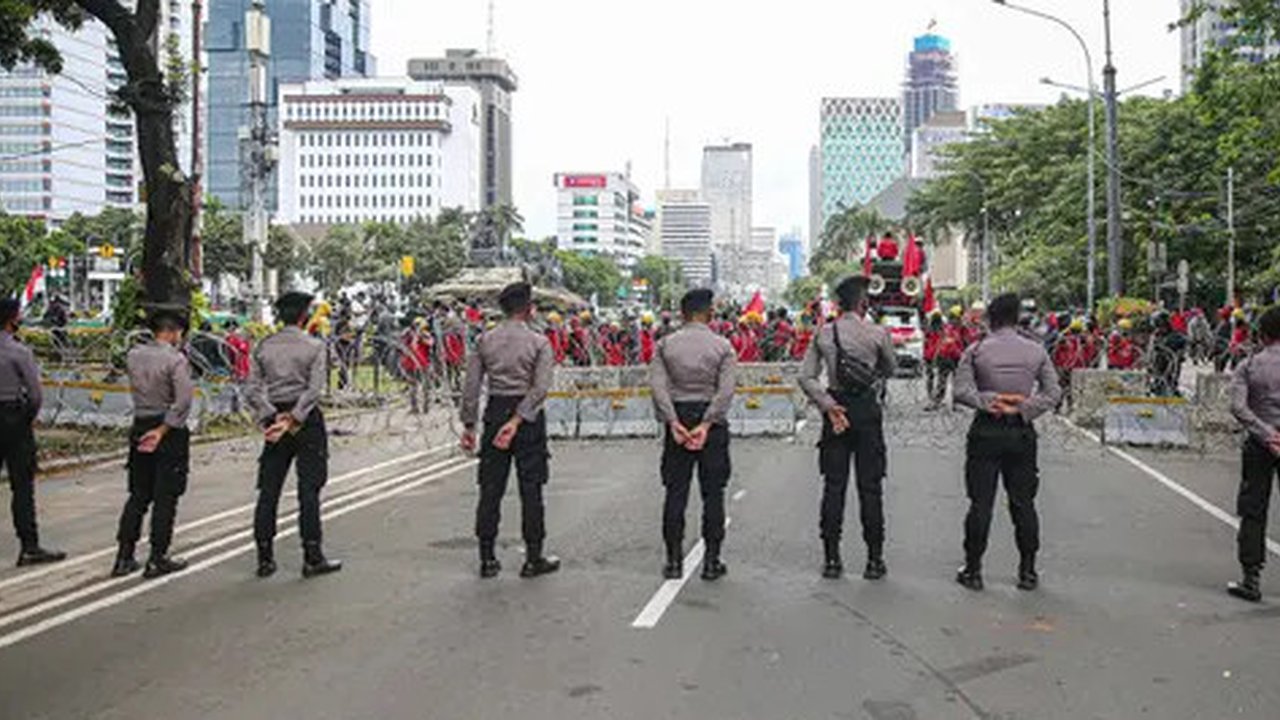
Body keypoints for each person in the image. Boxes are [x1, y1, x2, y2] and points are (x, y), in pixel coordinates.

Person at [952, 293, 1062, 592]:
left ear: (990, 317)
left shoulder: (976, 351)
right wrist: (1023, 407)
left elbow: (961, 391)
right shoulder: (1036, 351)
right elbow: (1053, 394)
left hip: (986, 430)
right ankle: (1027, 571)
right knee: (1023, 504)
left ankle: (973, 570)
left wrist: (989, 401)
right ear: (1017, 317)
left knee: (980, 504)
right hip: (1020, 433)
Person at [460, 282, 560, 579]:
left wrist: (469, 424)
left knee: (490, 489)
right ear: (529, 309)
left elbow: (471, 386)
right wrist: (518, 420)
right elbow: (541, 388)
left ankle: (487, 558)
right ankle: (533, 558)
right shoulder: (539, 342)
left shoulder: (485, 340)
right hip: (527, 419)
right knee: (532, 489)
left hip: (494, 412)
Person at [799, 276, 897, 580]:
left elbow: (806, 377)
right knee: (871, 488)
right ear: (863, 303)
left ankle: (831, 560)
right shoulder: (878, 333)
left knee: (834, 486)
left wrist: (827, 405)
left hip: (836, 412)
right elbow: (891, 368)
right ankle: (874, 560)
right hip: (867, 411)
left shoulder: (824, 334)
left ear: (838, 304)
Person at [245, 291, 342, 579]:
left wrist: (273, 417)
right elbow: (314, 390)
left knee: (269, 489)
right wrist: (295, 418)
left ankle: (264, 557)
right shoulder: (313, 346)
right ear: (304, 316)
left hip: (274, 417)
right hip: (306, 420)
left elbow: (251, 389)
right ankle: (312, 555)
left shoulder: (264, 346)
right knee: (309, 489)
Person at [649, 288, 737, 581]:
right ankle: (712, 562)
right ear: (709, 313)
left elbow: (658, 387)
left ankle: (673, 562)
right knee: (713, 494)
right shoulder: (723, 346)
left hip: (678, 418)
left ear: (682, 314)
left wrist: (673, 422)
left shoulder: (664, 345)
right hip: (711, 425)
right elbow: (726, 392)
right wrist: (708, 424)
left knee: (675, 492)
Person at [111, 307, 195, 579]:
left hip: (140, 424)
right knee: (166, 496)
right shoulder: (175, 360)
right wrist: (164, 429)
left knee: (139, 493)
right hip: (167, 430)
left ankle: (124, 555)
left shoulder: (134, 355)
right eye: (178, 333)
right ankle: (158, 556)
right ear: (171, 332)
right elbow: (182, 401)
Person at [0, 299, 65, 567]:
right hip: (13, 417)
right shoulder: (19, 352)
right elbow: (35, 395)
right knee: (22, 486)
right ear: (12, 319)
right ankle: (29, 546)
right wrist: (26, 417)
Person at [1226, 306, 1280, 603]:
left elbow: (1238, 407)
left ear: (1263, 333)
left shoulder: (1248, 366)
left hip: (1259, 445)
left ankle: (1251, 578)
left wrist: (1266, 433)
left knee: (1253, 508)